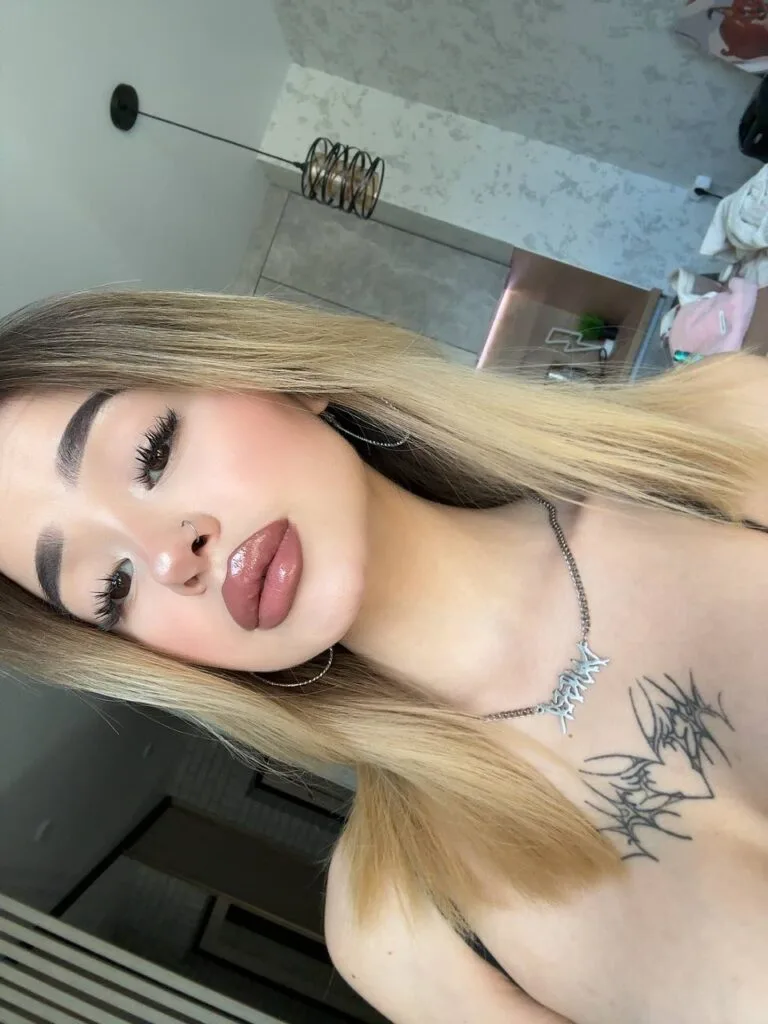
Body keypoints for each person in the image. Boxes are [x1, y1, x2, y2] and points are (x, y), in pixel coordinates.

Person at [0, 288, 766, 1024]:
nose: (169, 556)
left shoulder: (727, 430)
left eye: (152, 451)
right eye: (111, 587)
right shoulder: (400, 931)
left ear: (274, 374)